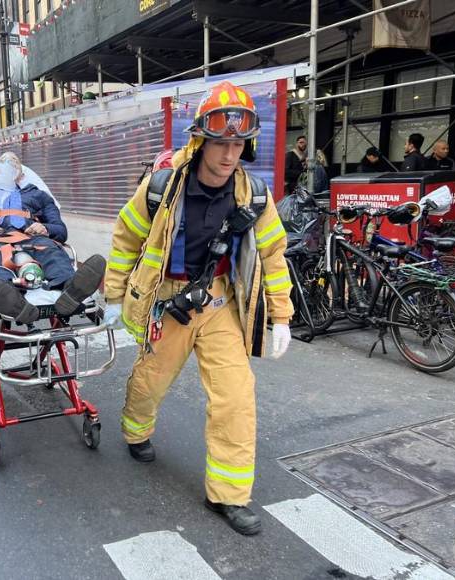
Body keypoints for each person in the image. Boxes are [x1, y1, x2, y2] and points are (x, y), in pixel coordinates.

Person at [103, 81, 294, 536]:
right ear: (201, 140)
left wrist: (282, 316)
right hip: (169, 302)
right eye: (221, 143)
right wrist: (114, 296)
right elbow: (126, 239)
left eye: (237, 144)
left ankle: (228, 495)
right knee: (150, 382)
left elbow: (272, 256)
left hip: (220, 302)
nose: (229, 154)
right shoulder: (162, 188)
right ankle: (135, 430)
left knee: (235, 396)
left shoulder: (254, 196)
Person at [0, 152, 105, 323]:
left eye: (13, 166)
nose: (9, 169)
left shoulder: (39, 196)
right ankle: (15, 302)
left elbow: (61, 231)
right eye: (4, 166)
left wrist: (45, 228)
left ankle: (71, 292)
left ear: (21, 174)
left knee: (53, 254)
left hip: (34, 238)